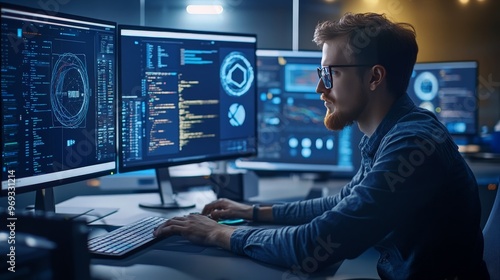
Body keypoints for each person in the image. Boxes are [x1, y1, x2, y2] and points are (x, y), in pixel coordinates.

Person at [154, 12, 489, 279]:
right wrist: (251, 212)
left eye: (330, 74)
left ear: (374, 77)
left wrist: (218, 235)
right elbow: (342, 203)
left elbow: (316, 244)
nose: (319, 88)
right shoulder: (392, 134)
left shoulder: (412, 144)